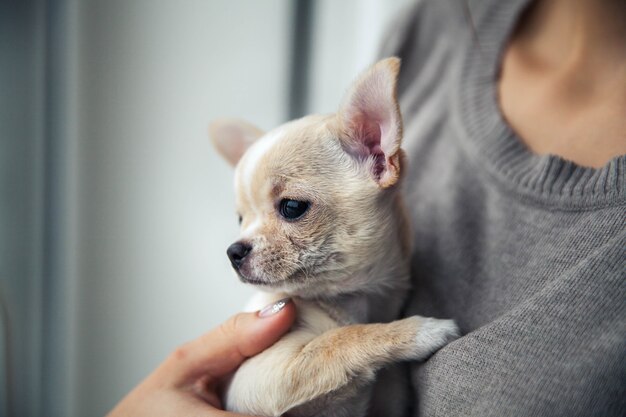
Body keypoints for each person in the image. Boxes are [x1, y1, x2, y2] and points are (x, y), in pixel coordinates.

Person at [109, 0, 625, 415]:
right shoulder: (433, 27)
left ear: (378, 154)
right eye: (244, 218)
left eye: (290, 207)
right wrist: (387, 341)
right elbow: (269, 388)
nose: (243, 242)